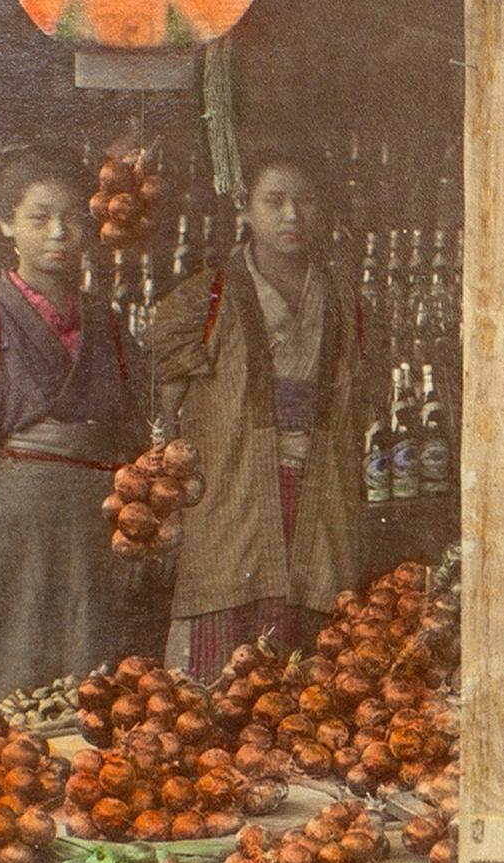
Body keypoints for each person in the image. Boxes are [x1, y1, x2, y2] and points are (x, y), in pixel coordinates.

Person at [0, 146, 146, 700]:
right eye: (40, 218)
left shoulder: (104, 322)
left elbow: (138, 420)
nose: (59, 232)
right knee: (20, 668)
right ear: (7, 223)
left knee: (94, 671)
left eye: (73, 218)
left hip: (95, 521)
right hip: (19, 518)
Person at [152, 147, 363, 679]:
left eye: (305, 201)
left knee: (311, 668)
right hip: (232, 496)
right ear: (244, 208)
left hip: (318, 494)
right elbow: (161, 409)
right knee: (221, 665)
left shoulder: (342, 300)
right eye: (274, 201)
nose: (291, 215)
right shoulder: (206, 299)